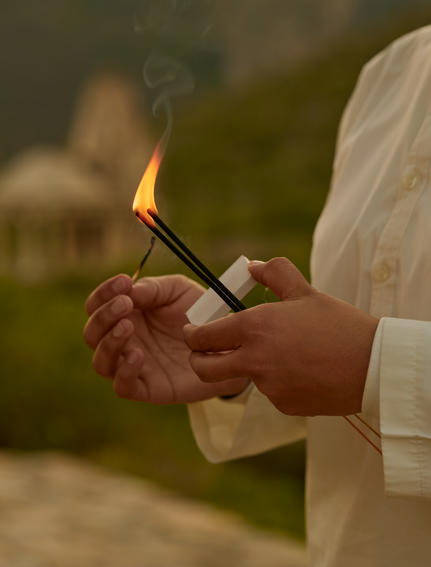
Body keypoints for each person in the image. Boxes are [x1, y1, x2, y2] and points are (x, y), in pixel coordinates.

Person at [84, 26, 431, 567]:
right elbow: (347, 360)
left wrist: (376, 366)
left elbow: (367, 361)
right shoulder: (386, 78)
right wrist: (239, 362)